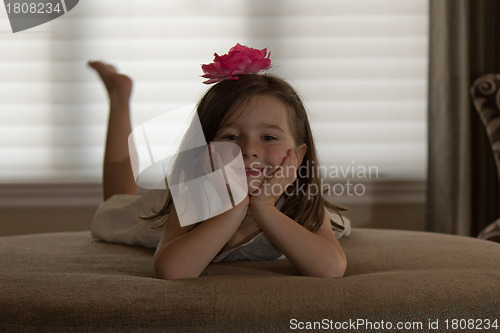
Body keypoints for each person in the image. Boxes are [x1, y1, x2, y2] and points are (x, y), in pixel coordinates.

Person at [88, 44, 350, 280]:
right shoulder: (193, 195)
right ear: (204, 150)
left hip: (284, 201)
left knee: (338, 223)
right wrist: (234, 207)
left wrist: (265, 207)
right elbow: (174, 270)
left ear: (298, 155)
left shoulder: (301, 201)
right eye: (231, 136)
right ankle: (119, 97)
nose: (248, 150)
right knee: (115, 206)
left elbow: (330, 268)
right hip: (164, 210)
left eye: (268, 137)